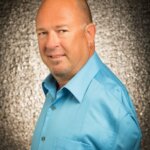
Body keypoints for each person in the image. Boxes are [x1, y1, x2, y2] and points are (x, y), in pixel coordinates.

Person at [31, 0, 142, 149]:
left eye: (62, 31)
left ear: (89, 34)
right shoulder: (54, 88)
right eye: (42, 33)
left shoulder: (112, 106)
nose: (50, 44)